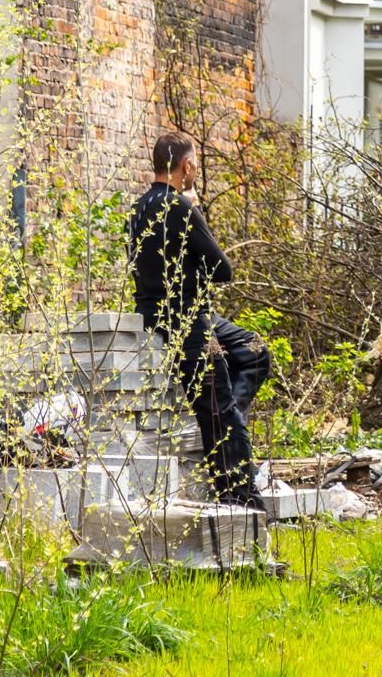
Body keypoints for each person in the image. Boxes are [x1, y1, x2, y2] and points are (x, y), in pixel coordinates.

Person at [128, 132, 269, 509]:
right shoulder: (181, 208)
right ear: (186, 167)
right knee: (218, 412)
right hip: (190, 324)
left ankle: (235, 415)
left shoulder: (138, 209)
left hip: (158, 317)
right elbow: (223, 269)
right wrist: (196, 214)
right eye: (196, 166)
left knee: (254, 350)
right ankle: (240, 498)